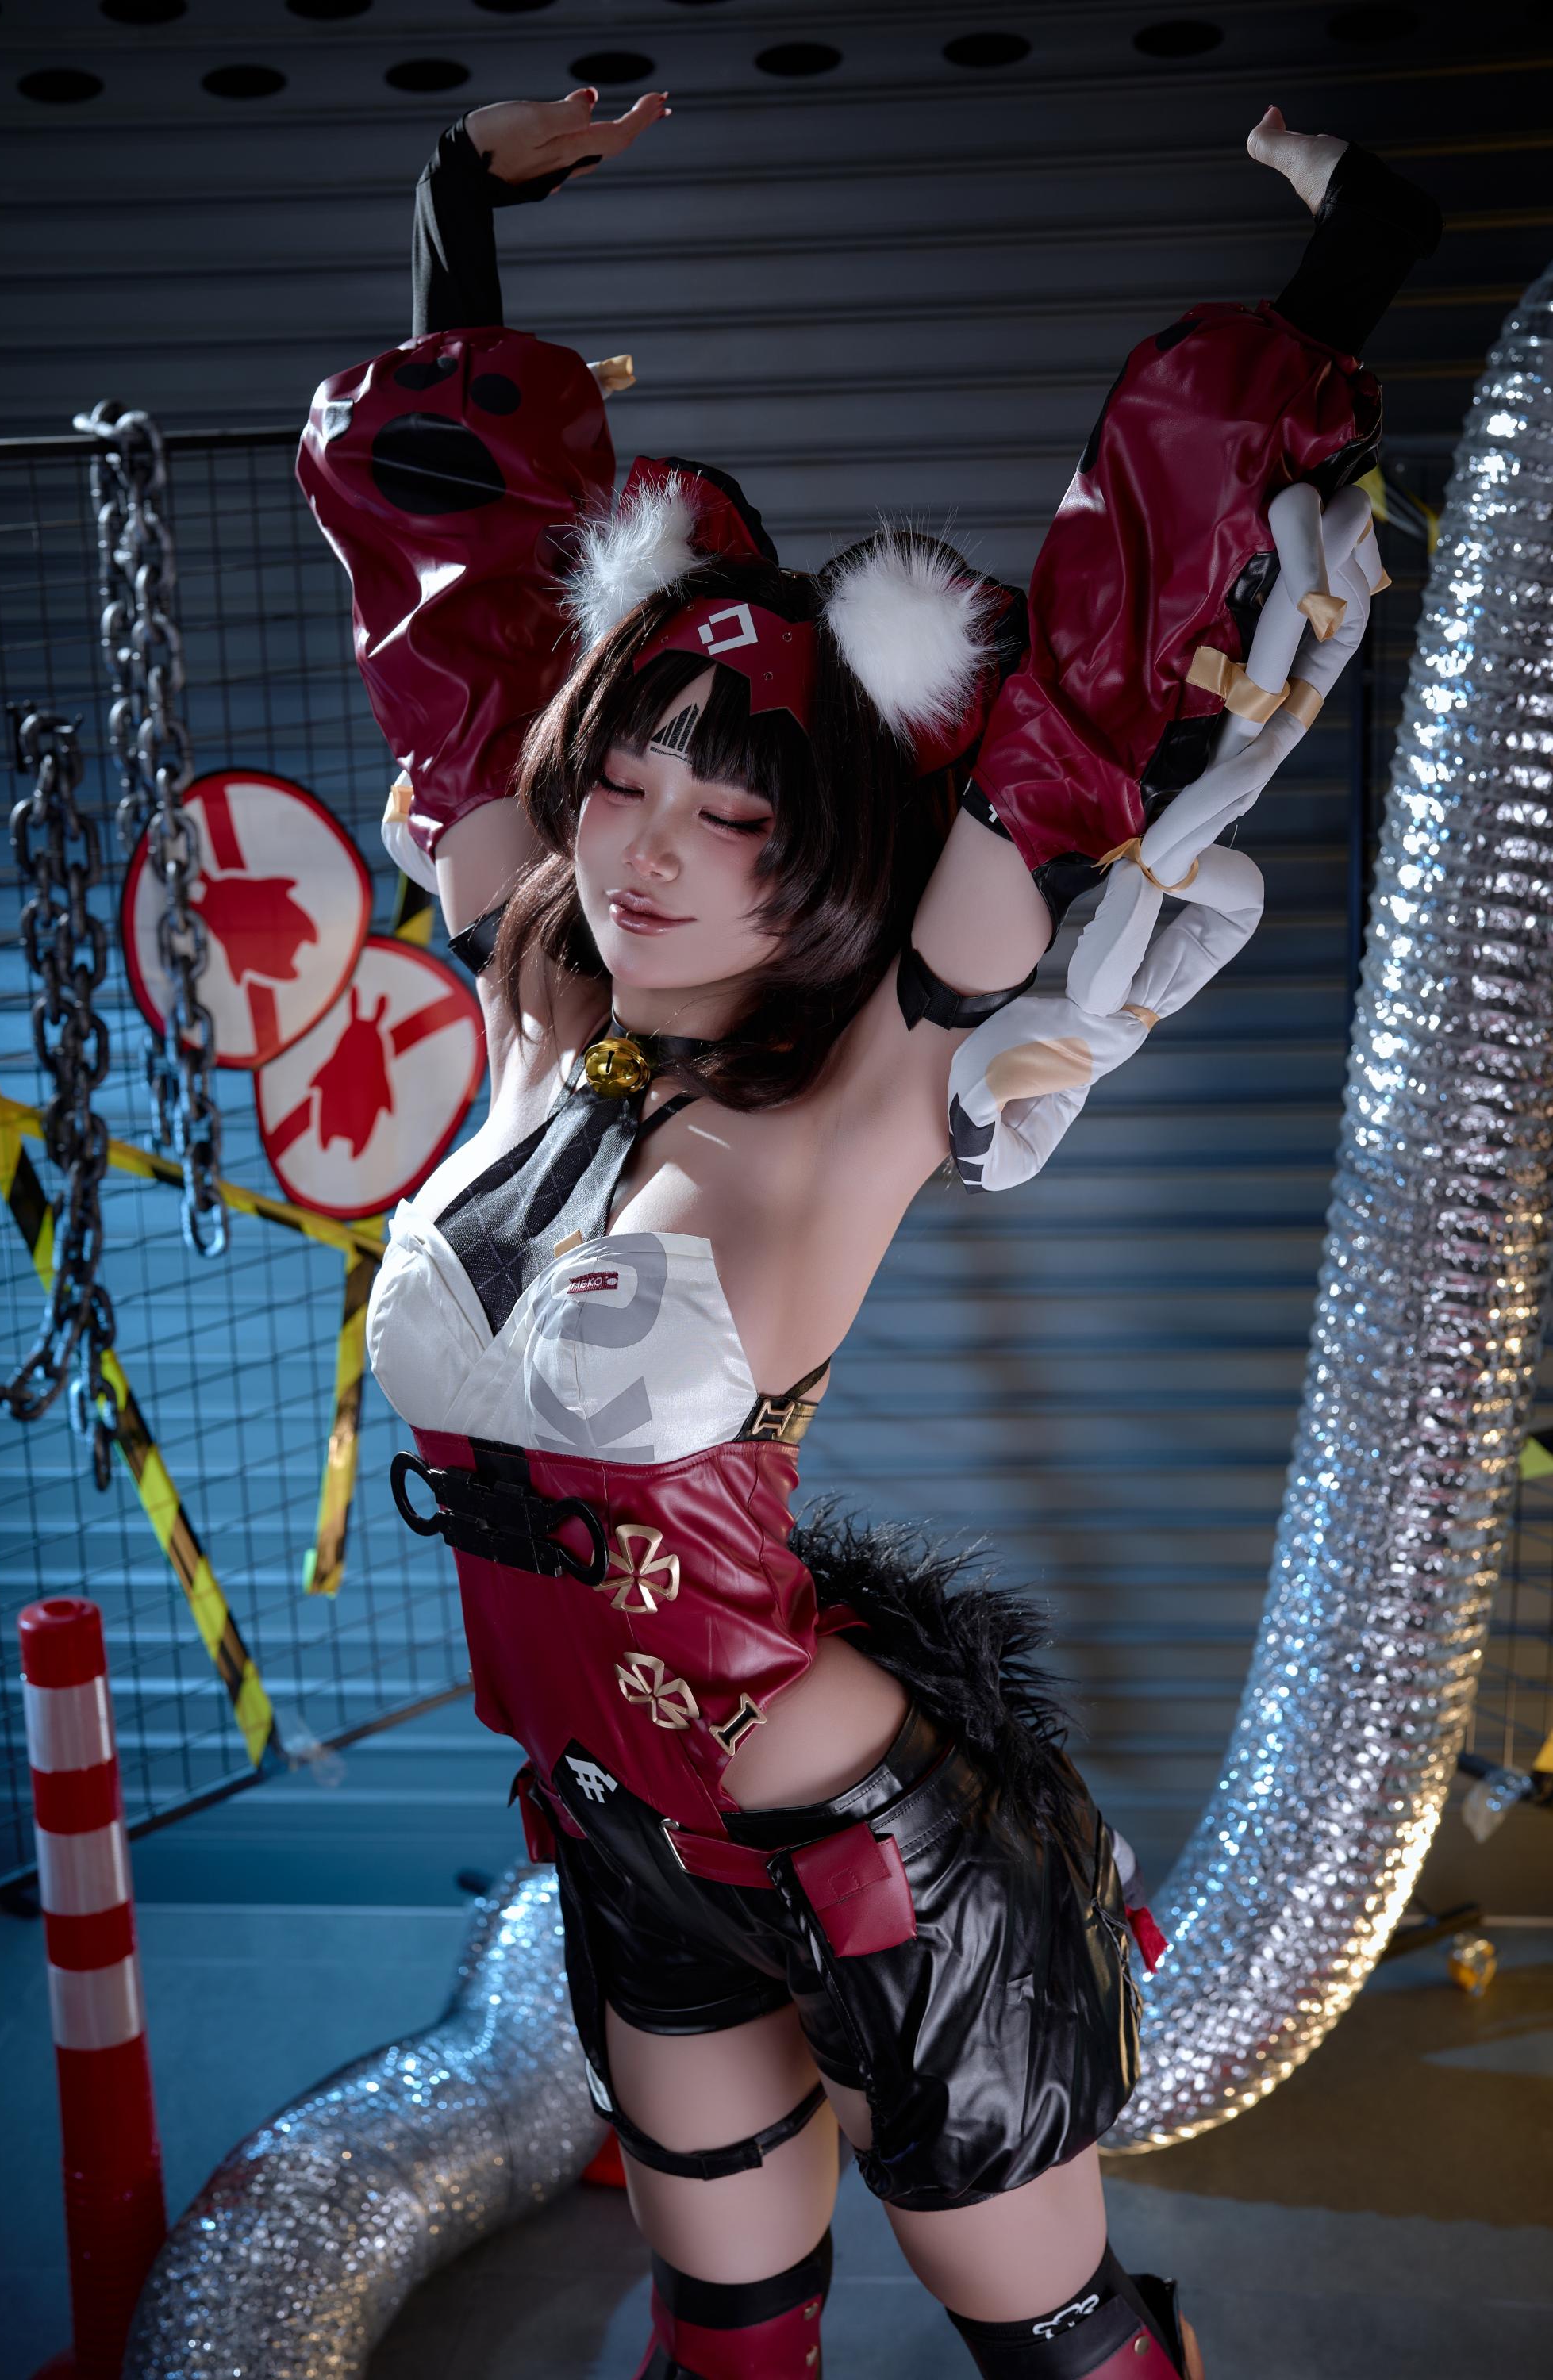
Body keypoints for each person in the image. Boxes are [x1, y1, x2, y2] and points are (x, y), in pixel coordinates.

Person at [298, 90, 1440, 2380]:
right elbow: (466, 603)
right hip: (620, 1833)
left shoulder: (878, 1072)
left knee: (1062, 2345)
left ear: (821, 857)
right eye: (628, 780)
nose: (646, 850)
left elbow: (1113, 663)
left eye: (730, 818)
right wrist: (452, 209)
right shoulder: (534, 990)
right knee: (727, 2319)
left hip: (871, 1859)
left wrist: (1347, 278)